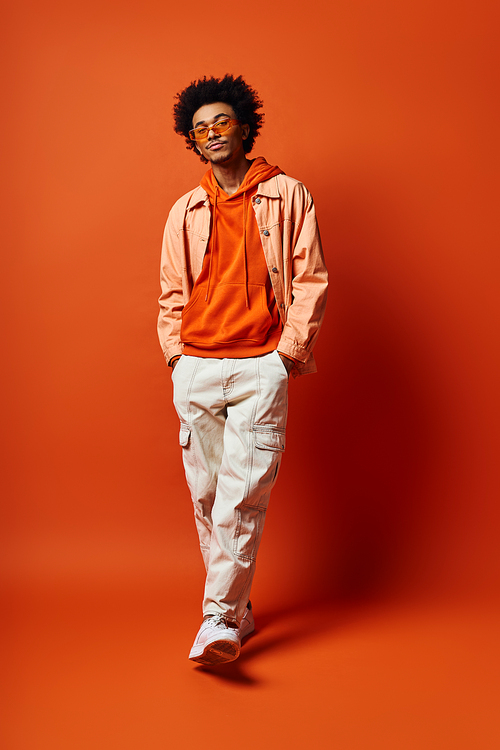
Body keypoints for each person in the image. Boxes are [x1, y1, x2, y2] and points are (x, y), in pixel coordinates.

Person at [158, 74, 328, 665]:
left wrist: (286, 357)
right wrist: (177, 358)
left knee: (240, 498)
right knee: (207, 498)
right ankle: (239, 612)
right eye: (200, 128)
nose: (211, 133)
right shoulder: (184, 210)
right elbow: (171, 294)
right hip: (198, 368)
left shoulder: (289, 195)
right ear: (193, 140)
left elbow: (309, 280)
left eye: (220, 121)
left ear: (244, 125)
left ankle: (217, 621)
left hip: (261, 363)